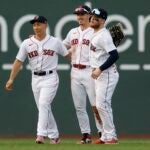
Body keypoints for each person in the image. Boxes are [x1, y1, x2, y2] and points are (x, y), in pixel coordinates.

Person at [5, 16, 70, 144]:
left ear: (45, 25)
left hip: (50, 77)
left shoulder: (55, 42)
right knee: (43, 107)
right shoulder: (26, 43)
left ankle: (40, 135)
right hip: (35, 78)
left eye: (39, 24)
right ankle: (54, 135)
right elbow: (18, 61)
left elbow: (68, 56)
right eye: (34, 25)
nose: (36, 27)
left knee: (44, 104)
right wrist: (11, 78)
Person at [63, 5, 102, 144]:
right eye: (77, 14)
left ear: (89, 15)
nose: (79, 17)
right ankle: (86, 135)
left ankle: (102, 133)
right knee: (79, 106)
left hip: (89, 71)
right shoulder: (72, 32)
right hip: (75, 71)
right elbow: (61, 47)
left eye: (82, 14)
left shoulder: (95, 32)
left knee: (96, 105)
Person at [89, 8, 119, 144]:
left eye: (97, 17)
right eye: (92, 16)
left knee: (102, 105)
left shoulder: (104, 36)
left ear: (103, 20)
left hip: (106, 74)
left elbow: (114, 55)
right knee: (101, 105)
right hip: (99, 74)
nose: (93, 18)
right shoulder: (95, 33)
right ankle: (106, 136)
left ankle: (111, 136)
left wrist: (100, 69)